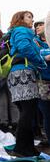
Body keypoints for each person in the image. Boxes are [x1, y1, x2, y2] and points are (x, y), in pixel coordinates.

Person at [7, 11, 47, 156]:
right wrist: (41, 61)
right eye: (29, 17)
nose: (32, 20)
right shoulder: (22, 30)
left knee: (27, 112)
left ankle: (28, 147)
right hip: (23, 72)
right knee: (28, 112)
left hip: (19, 72)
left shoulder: (18, 32)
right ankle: (21, 148)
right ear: (20, 19)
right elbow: (25, 48)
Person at [34, 19, 50, 147]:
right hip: (43, 82)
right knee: (47, 113)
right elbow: (35, 54)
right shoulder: (34, 41)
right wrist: (45, 54)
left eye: (40, 24)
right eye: (36, 26)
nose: (38, 27)